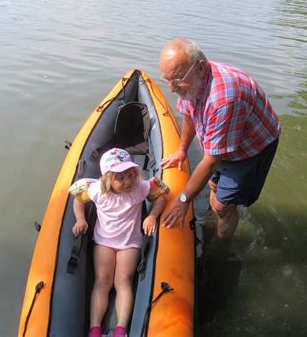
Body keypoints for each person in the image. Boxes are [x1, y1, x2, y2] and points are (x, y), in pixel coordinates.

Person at [159, 38, 281, 257]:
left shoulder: (224, 99)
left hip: (252, 147)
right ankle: (220, 203)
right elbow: (188, 115)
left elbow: (212, 159)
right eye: (166, 79)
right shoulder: (191, 82)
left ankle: (222, 245)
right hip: (225, 140)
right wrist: (181, 151)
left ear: (201, 67)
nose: (171, 87)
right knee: (215, 192)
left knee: (223, 206)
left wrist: (183, 200)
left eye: (177, 79)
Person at [72, 148, 166, 337]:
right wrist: (80, 219)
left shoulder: (140, 188)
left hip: (129, 243)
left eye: (131, 175)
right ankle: (95, 328)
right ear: (107, 179)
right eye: (120, 178)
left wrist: (153, 216)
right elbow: (78, 200)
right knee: (102, 281)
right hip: (104, 241)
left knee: (122, 281)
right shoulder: (97, 190)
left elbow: (161, 196)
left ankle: (121, 329)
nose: (128, 182)